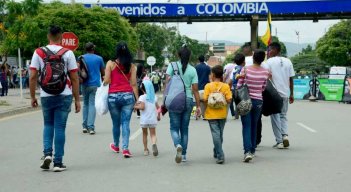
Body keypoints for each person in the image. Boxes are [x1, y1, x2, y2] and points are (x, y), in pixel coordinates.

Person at [29, 25, 81, 172]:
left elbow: (33, 76)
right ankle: (58, 162)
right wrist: (77, 99)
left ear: (48, 36)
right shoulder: (68, 53)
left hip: (46, 95)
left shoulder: (38, 52)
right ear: (61, 37)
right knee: (60, 128)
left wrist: (33, 96)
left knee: (48, 125)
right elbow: (75, 78)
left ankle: (47, 154)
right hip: (64, 94)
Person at [165, 45, 201, 163]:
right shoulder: (193, 70)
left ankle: (177, 145)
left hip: (175, 99)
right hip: (188, 99)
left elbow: (167, 84)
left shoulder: (172, 66)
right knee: (184, 129)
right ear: (189, 56)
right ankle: (184, 155)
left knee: (174, 127)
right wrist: (199, 106)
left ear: (178, 55)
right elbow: (195, 89)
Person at [104, 42, 138, 158]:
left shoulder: (110, 63)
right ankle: (126, 149)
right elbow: (133, 84)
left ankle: (116, 145)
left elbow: (107, 80)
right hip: (128, 96)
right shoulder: (132, 66)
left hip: (113, 96)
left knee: (115, 123)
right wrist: (137, 100)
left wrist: (104, 82)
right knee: (125, 123)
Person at [237, 50, 269, 163]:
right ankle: (253, 150)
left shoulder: (245, 69)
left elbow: (239, 85)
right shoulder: (266, 72)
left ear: (253, 58)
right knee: (254, 125)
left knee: (246, 126)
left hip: (245, 100)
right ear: (262, 60)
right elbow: (263, 88)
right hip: (258, 101)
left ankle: (247, 152)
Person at [265, 42, 295, 149]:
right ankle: (285, 135)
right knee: (283, 115)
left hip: (274, 94)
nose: (268, 52)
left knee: (275, 117)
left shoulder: (269, 62)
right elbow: (291, 79)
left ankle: (279, 141)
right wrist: (292, 93)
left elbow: (265, 77)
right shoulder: (288, 61)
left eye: (270, 50)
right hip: (285, 93)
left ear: (275, 50)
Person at [203, 65, 232, 164]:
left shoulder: (208, 86)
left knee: (215, 133)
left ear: (213, 75)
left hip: (211, 114)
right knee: (220, 133)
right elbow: (229, 100)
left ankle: (220, 155)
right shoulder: (226, 86)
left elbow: (205, 99)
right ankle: (217, 150)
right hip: (222, 113)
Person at [80, 42, 105, 135]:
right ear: (93, 49)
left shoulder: (81, 58)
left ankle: (84, 126)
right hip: (95, 84)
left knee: (85, 104)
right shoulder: (99, 58)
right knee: (92, 104)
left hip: (84, 83)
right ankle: (91, 127)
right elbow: (103, 73)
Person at [134, 79, 161, 156]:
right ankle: (153, 144)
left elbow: (142, 107)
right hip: (152, 119)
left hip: (144, 120)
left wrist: (135, 106)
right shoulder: (154, 97)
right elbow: (158, 108)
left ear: (142, 89)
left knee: (145, 134)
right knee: (153, 134)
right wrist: (158, 116)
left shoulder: (142, 97)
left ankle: (145, 150)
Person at [228, 53, 246, 120]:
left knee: (234, 101)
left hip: (233, 87)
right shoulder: (244, 69)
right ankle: (238, 114)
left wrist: (229, 87)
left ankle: (235, 115)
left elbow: (231, 80)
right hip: (241, 87)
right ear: (244, 61)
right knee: (239, 102)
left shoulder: (235, 68)